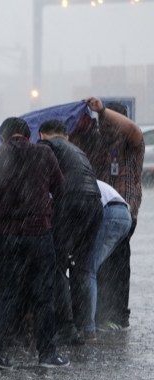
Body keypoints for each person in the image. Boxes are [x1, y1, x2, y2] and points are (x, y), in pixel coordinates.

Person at [0, 117, 68, 369]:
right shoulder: (44, 154)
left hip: (4, 235)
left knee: (5, 294)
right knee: (43, 296)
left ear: (4, 137)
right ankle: (47, 354)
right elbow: (60, 188)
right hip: (39, 234)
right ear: (29, 135)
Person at [78, 97, 143, 331]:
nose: (104, 127)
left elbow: (130, 129)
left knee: (117, 263)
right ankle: (102, 313)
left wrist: (103, 112)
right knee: (101, 264)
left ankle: (117, 315)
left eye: (109, 123)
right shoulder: (99, 144)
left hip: (124, 212)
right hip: (100, 212)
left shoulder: (133, 143)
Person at [37, 119, 103, 345]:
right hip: (94, 203)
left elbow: (40, 178)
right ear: (64, 135)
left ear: (42, 134)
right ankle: (86, 328)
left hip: (71, 201)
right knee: (82, 268)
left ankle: (66, 327)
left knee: (57, 265)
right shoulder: (77, 149)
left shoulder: (46, 145)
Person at [84, 180, 132, 340]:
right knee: (100, 266)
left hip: (111, 213)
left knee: (89, 269)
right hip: (125, 214)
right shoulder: (87, 180)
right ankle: (103, 315)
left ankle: (89, 327)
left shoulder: (72, 183)